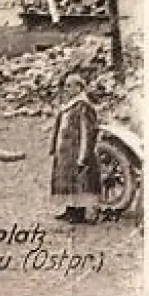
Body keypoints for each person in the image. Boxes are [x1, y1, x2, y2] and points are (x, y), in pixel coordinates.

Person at [50, 74, 102, 224]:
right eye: (66, 86)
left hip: (76, 150)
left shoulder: (84, 106)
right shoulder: (69, 105)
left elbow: (87, 131)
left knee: (79, 181)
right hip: (65, 151)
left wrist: (83, 154)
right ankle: (69, 210)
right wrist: (55, 146)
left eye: (69, 86)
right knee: (66, 181)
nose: (66, 89)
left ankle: (79, 213)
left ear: (78, 87)